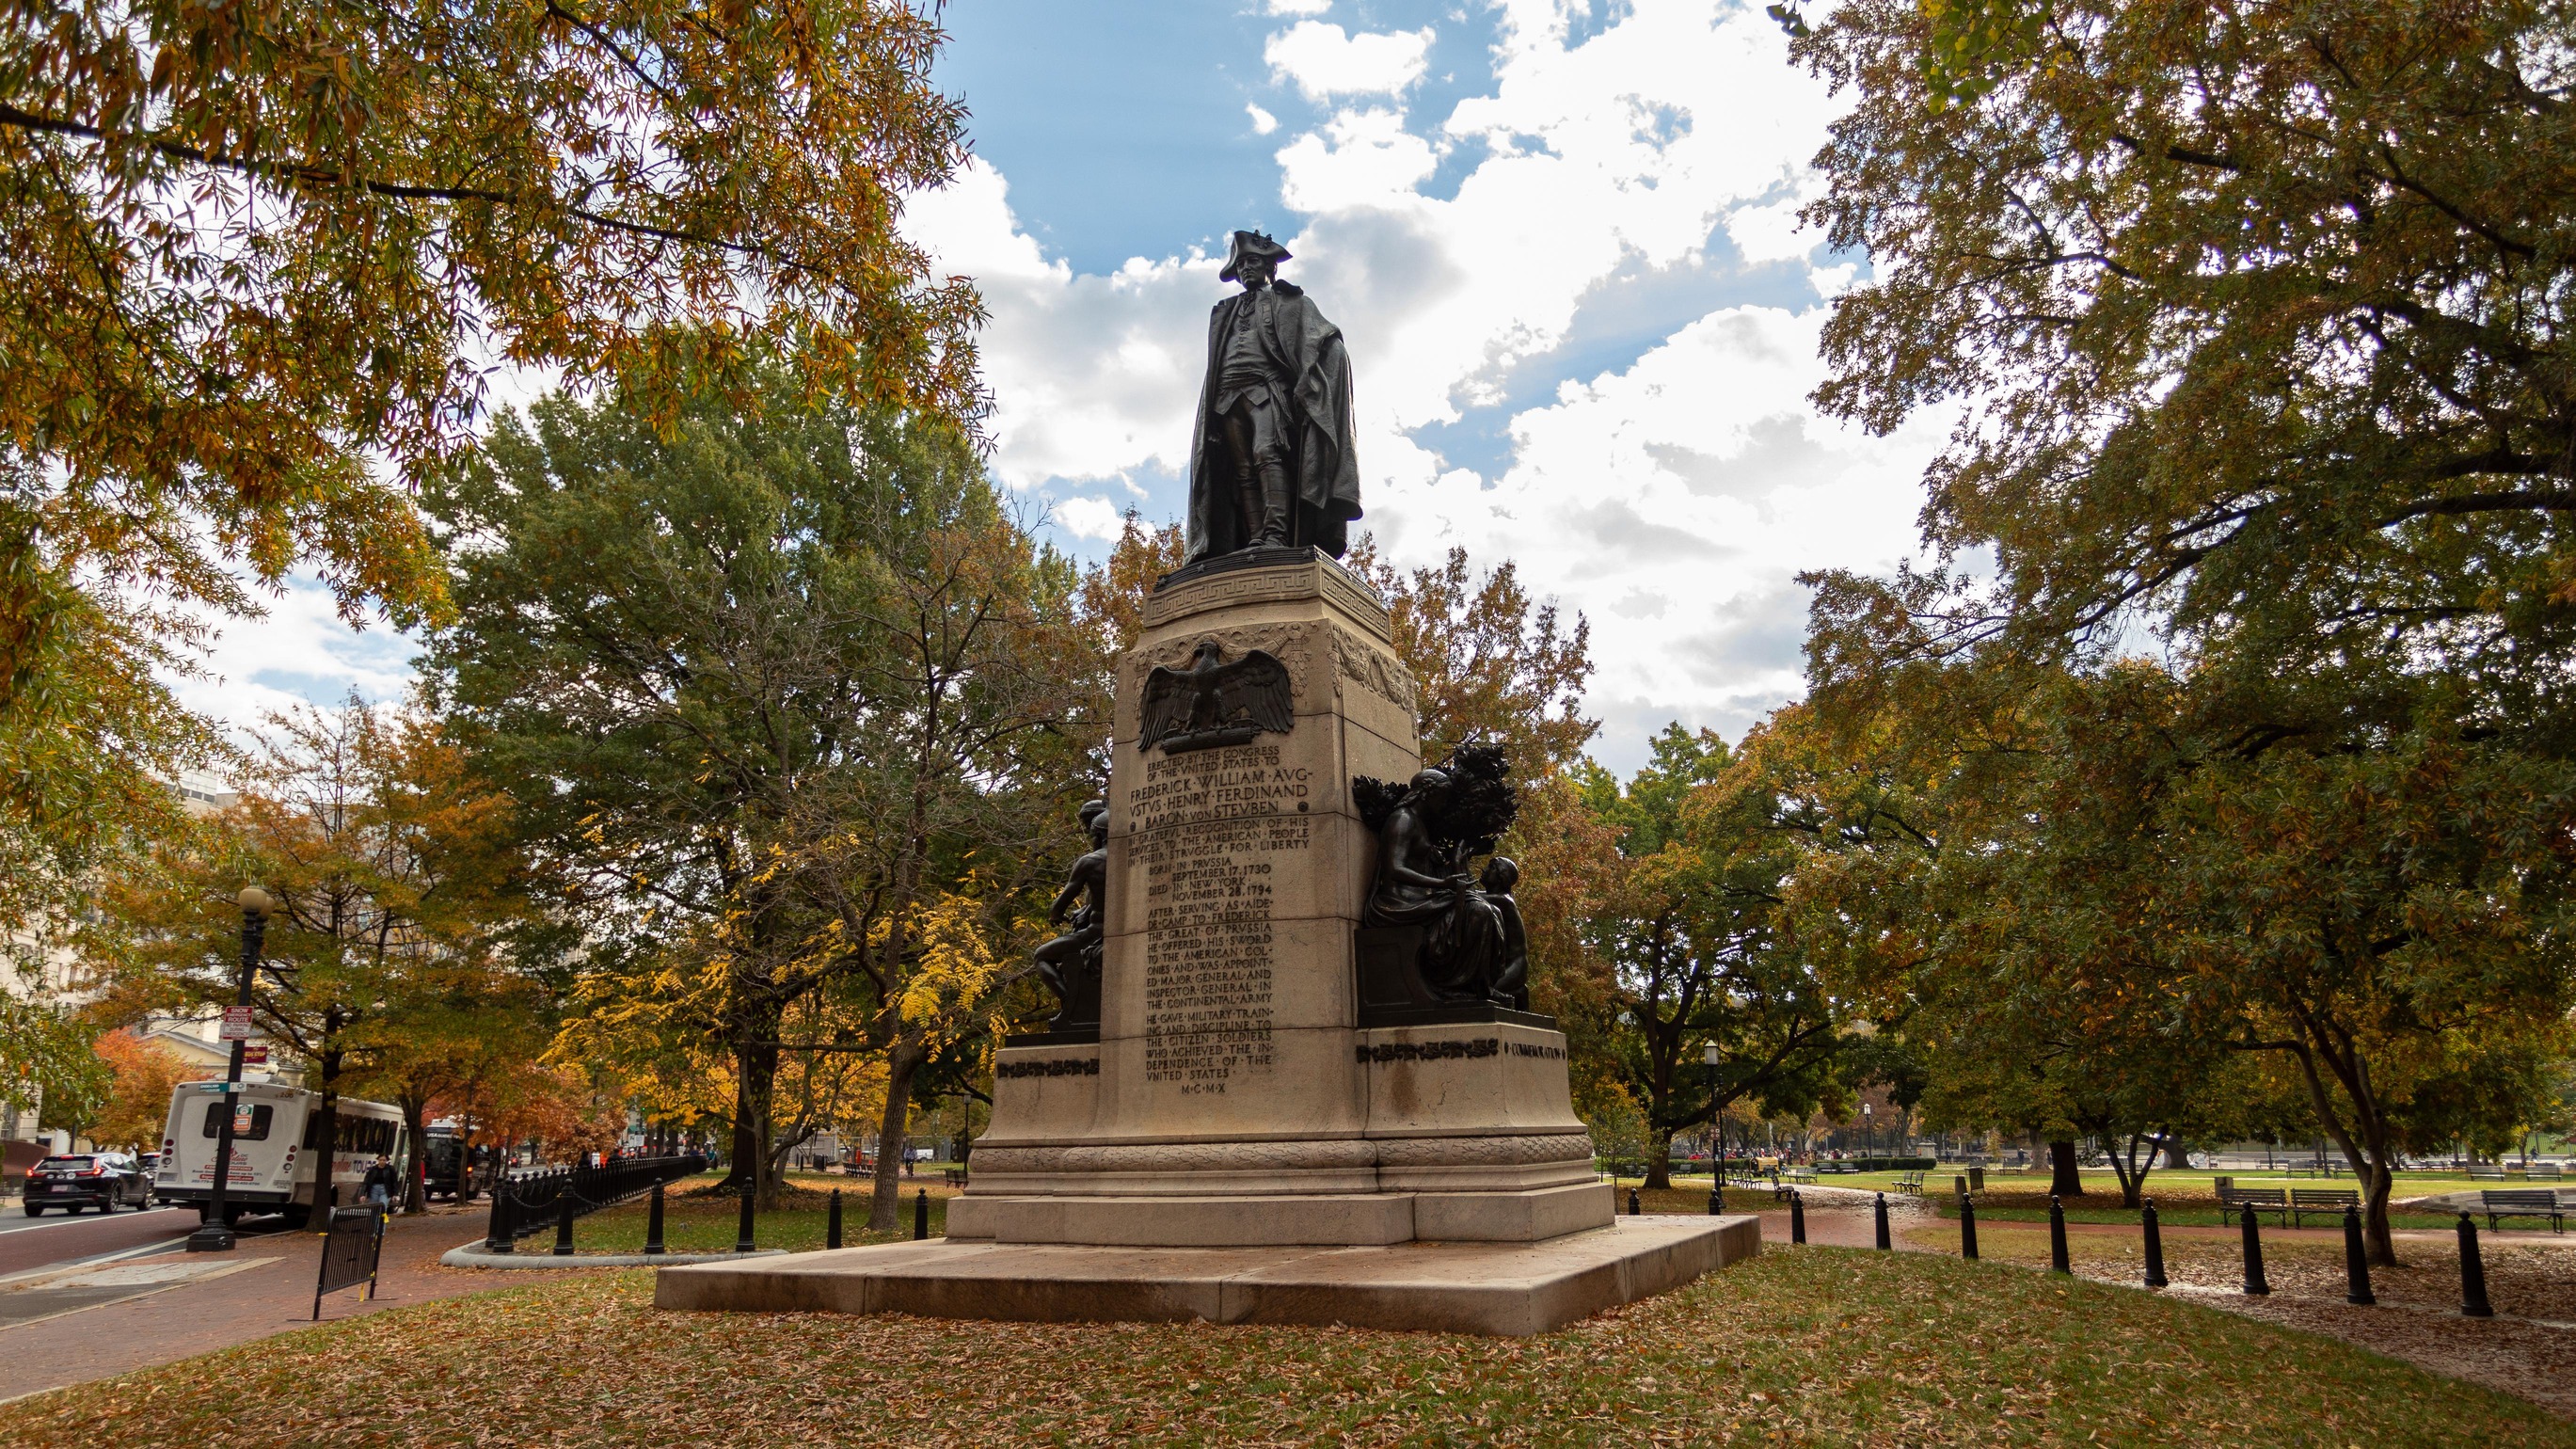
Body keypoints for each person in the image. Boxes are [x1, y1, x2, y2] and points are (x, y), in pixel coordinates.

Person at [1183, 230, 1363, 563]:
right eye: (1240, 265)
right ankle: (1256, 539)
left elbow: (1325, 338)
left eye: (1252, 261)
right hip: (1227, 395)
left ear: (1270, 266)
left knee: (1267, 453)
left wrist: (1322, 368)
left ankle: (1276, 534)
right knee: (1242, 468)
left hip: (1267, 389)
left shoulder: (1292, 303)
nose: (1245, 269)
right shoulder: (1226, 311)